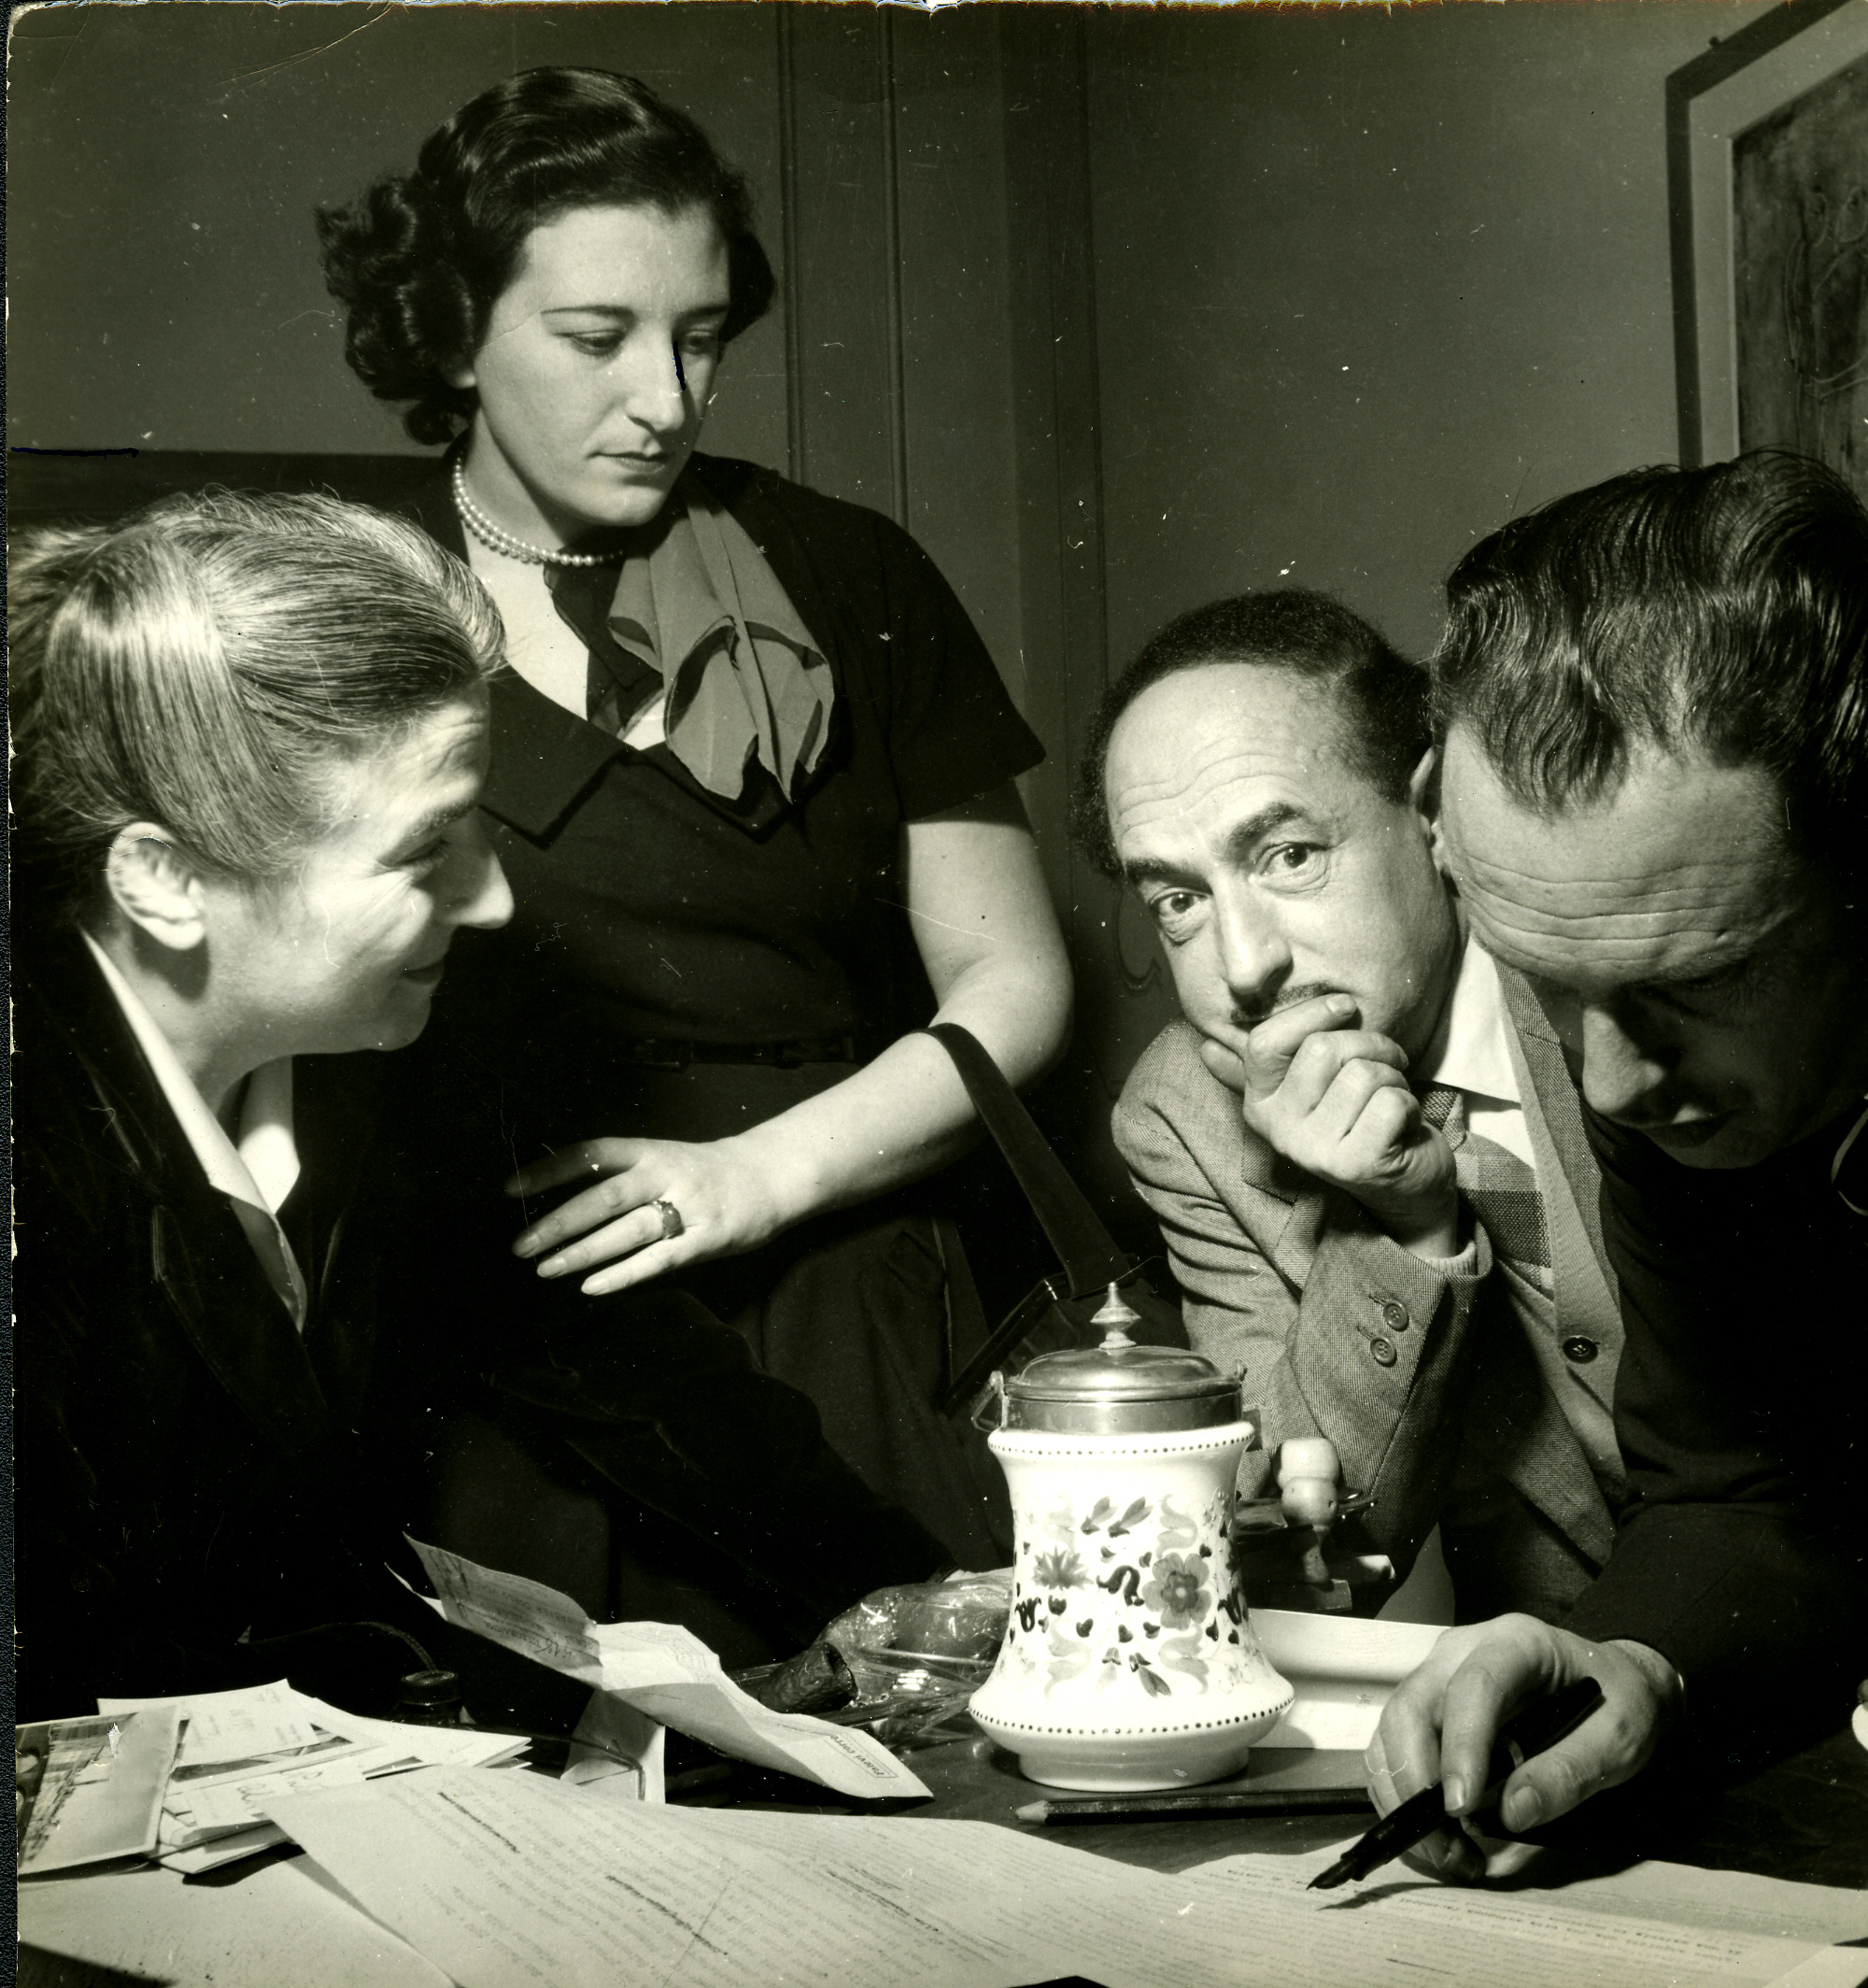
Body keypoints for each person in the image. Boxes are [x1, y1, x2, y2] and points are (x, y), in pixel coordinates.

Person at [10, 490, 954, 1723]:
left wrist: (911, 1603)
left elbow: (626, 1364)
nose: (497, 902)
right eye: (427, 850)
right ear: (168, 879)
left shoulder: (389, 1054)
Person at [315, 66, 1070, 1579]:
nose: (664, 400)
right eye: (596, 339)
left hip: (844, 1262)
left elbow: (1020, 983)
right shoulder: (350, 594)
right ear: (458, 333)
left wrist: (761, 1176)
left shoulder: (850, 573)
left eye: (702, 337)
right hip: (510, 1310)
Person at [1367, 452, 1868, 1880]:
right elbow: (1744, 1484)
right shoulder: (1654, 1054)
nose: (1608, 1087)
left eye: (1696, 983)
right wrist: (1629, 1659)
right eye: (1544, 985)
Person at [1075, 590, 1623, 1624]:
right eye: (1177, 901)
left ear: (1431, 816)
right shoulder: (1186, 1111)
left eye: (1287, 856)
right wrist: (1399, 1226)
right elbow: (1310, 1555)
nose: (1245, 967)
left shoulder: (1596, 953)